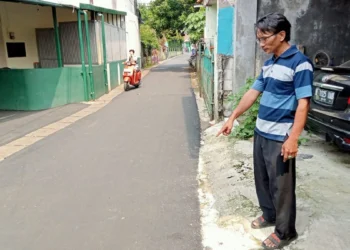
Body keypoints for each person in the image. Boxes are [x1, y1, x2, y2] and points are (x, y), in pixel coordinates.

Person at [217, 13, 313, 249]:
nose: (261, 44)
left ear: (281, 35)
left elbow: (304, 104)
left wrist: (293, 139)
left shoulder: (300, 63)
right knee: (262, 179)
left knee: (282, 187)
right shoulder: (269, 64)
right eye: (258, 39)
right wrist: (232, 117)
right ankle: (269, 214)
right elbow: (252, 92)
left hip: (281, 136)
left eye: (264, 38)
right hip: (261, 132)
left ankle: (285, 231)